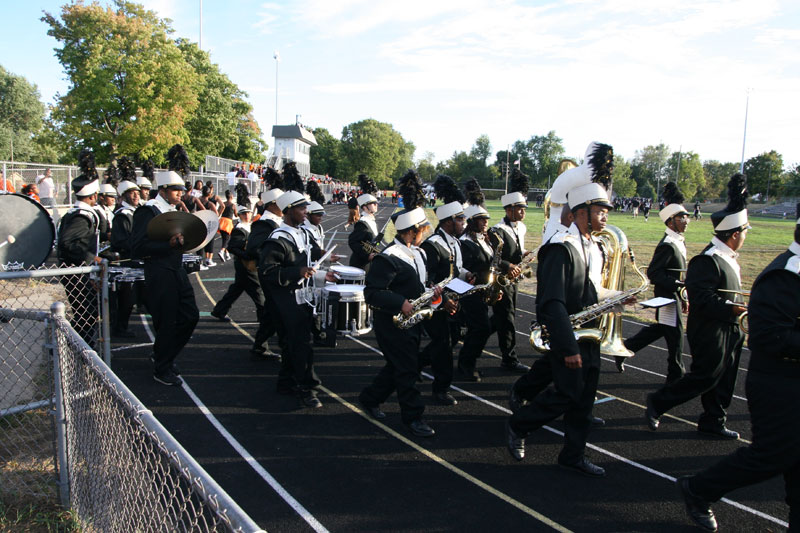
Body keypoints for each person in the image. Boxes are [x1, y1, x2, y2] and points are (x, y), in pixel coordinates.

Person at [676, 203, 800, 532]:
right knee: (771, 456)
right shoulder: (786, 274)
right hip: (780, 383)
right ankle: (699, 489)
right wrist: (730, 309)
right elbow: (771, 337)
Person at [506, 178, 622, 477]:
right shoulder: (559, 248)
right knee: (567, 394)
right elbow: (552, 303)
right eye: (600, 210)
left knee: (584, 400)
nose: (605, 216)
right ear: (580, 212)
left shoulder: (595, 246)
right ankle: (519, 425)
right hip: (568, 335)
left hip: (591, 333)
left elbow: (591, 291)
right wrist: (568, 346)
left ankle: (573, 454)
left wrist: (618, 300)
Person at [646, 174, 750, 439]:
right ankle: (659, 402)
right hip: (710, 329)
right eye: (745, 232)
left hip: (731, 328)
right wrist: (732, 309)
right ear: (735, 234)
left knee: (726, 377)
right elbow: (702, 298)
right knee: (705, 376)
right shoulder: (708, 260)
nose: (746, 237)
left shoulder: (727, 256)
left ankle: (714, 419)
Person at [359, 169, 438, 437]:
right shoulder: (388, 257)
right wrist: (400, 302)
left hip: (413, 321)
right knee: (407, 369)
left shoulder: (418, 254)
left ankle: (370, 398)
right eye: (424, 230)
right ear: (411, 231)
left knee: (399, 366)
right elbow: (372, 292)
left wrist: (433, 291)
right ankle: (413, 418)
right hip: (391, 322)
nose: (426, 234)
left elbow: (419, 285)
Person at [260, 186, 335, 407]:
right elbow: (267, 272)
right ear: (289, 210)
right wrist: (297, 272)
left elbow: (310, 259)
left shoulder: (302, 232)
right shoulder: (277, 239)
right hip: (284, 299)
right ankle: (305, 387)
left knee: (292, 343)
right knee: (300, 343)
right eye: (302, 208)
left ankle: (285, 382)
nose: (306, 211)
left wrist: (324, 270)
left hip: (301, 295)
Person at [131, 145, 199, 386]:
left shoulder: (173, 209)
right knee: (167, 320)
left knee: (190, 316)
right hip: (158, 271)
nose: (181, 194)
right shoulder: (147, 211)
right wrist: (167, 246)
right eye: (176, 190)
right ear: (163, 190)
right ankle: (162, 367)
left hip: (176, 270)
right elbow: (137, 246)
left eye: (182, 190)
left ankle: (164, 355)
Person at [617, 182, 690, 382]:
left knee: (661, 330)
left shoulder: (678, 240)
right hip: (666, 297)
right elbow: (655, 274)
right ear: (670, 221)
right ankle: (676, 375)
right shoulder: (667, 244)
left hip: (674, 295)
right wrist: (678, 286)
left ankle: (624, 349)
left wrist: (684, 295)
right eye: (682, 217)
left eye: (686, 217)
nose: (686, 221)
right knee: (675, 335)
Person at [418, 175, 465, 404]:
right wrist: (444, 298)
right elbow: (428, 278)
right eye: (461, 219)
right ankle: (441, 388)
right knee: (444, 343)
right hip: (435, 304)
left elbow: (458, 269)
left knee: (451, 337)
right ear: (449, 221)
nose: (464, 223)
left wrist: (469, 276)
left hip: (451, 301)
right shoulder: (433, 244)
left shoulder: (455, 242)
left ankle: (416, 363)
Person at [56, 149, 101, 345]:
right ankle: (72, 348)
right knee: (86, 314)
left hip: (79, 270)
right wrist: (92, 258)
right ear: (93, 196)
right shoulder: (81, 217)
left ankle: (77, 347)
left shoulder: (77, 213)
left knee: (88, 313)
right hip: (76, 272)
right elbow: (68, 243)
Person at [489, 168, 531, 373]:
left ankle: (472, 338)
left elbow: (517, 250)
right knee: (507, 318)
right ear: (509, 210)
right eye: (520, 209)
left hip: (514, 279)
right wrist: (509, 265)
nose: (523, 212)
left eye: (524, 208)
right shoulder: (497, 230)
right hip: (501, 279)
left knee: (503, 317)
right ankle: (509, 358)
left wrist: (525, 255)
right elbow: (494, 257)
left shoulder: (520, 228)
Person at [456, 179, 494, 381]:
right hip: (468, 291)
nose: (485, 221)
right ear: (471, 221)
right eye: (481, 219)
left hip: (482, 290)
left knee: (479, 328)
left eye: (486, 218)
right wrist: (471, 275)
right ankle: (466, 364)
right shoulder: (464, 242)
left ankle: (467, 361)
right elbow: (459, 267)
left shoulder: (483, 239)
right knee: (481, 328)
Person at [211, 204, 266, 325]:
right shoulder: (239, 229)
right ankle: (264, 316)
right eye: (244, 214)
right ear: (239, 215)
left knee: (237, 289)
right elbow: (232, 248)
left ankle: (219, 310)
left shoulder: (249, 226)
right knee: (257, 290)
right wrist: (248, 255)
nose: (247, 215)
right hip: (244, 265)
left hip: (246, 264)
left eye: (248, 213)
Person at [109, 178, 141, 338]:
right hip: (125, 263)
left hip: (133, 261)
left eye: (137, 193)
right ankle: (120, 328)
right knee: (125, 299)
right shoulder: (122, 215)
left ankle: (122, 326)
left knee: (130, 298)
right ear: (124, 196)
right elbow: (120, 240)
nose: (136, 196)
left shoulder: (135, 212)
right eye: (132, 193)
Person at [348, 174, 380, 269]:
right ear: (365, 207)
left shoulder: (372, 221)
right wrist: (366, 256)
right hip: (360, 265)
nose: (376, 205)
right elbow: (352, 242)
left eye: (376, 203)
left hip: (369, 264)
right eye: (373, 204)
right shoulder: (362, 223)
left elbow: (373, 242)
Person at [217, 190, 236, 263]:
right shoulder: (233, 205)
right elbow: (236, 214)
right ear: (231, 197)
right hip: (228, 223)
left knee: (225, 238)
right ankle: (221, 251)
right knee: (227, 239)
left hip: (222, 221)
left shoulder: (223, 204)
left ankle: (227, 254)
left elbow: (219, 212)